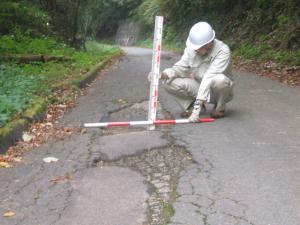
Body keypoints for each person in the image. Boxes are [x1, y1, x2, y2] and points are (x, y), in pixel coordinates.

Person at [160, 21, 234, 121]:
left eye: (197, 48)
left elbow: (209, 77)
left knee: (220, 80)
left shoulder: (223, 51)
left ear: (208, 45)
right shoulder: (192, 49)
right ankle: (191, 105)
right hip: (199, 86)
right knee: (168, 82)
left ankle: (219, 107)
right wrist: (164, 74)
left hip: (217, 90)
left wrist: (197, 109)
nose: (194, 50)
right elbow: (180, 67)